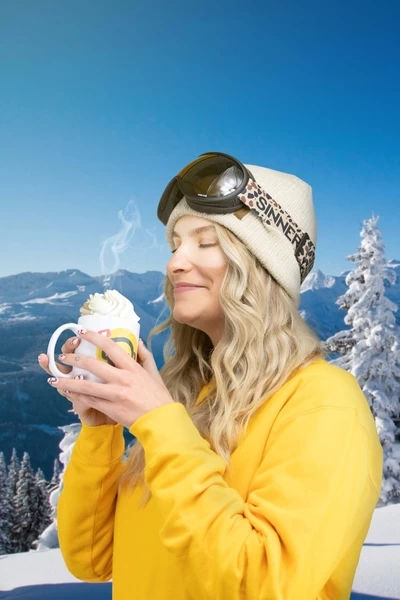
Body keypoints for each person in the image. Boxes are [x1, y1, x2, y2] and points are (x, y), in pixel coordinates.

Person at [39, 152, 383, 600]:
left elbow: (258, 584)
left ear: (261, 266)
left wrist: (161, 425)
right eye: (175, 245)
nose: (174, 263)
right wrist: (101, 427)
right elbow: (92, 557)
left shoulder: (324, 403)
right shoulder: (192, 397)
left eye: (205, 242)